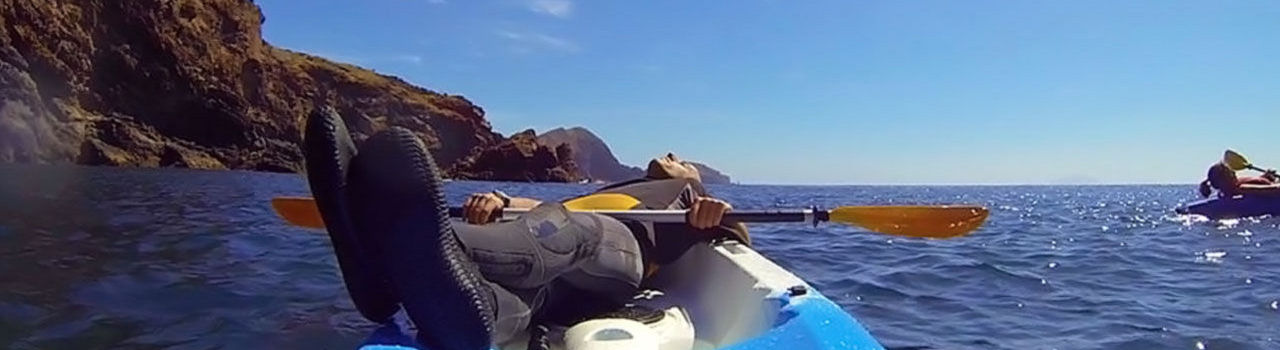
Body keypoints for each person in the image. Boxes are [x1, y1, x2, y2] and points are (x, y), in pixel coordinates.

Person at [301, 107, 749, 349]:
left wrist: (717, 213)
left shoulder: (687, 196)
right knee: (521, 295)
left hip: (617, 253)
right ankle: (473, 318)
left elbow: (741, 243)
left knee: (565, 227)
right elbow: (546, 207)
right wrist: (503, 200)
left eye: (680, 160)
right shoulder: (620, 185)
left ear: (692, 176)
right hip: (562, 268)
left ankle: (381, 252)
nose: (669, 155)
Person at [1198, 160, 1280, 198]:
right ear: (1223, 181)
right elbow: (1275, 189)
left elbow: (1256, 181)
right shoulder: (1241, 188)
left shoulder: (1237, 182)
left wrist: (1265, 176)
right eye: (1230, 173)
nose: (1234, 173)